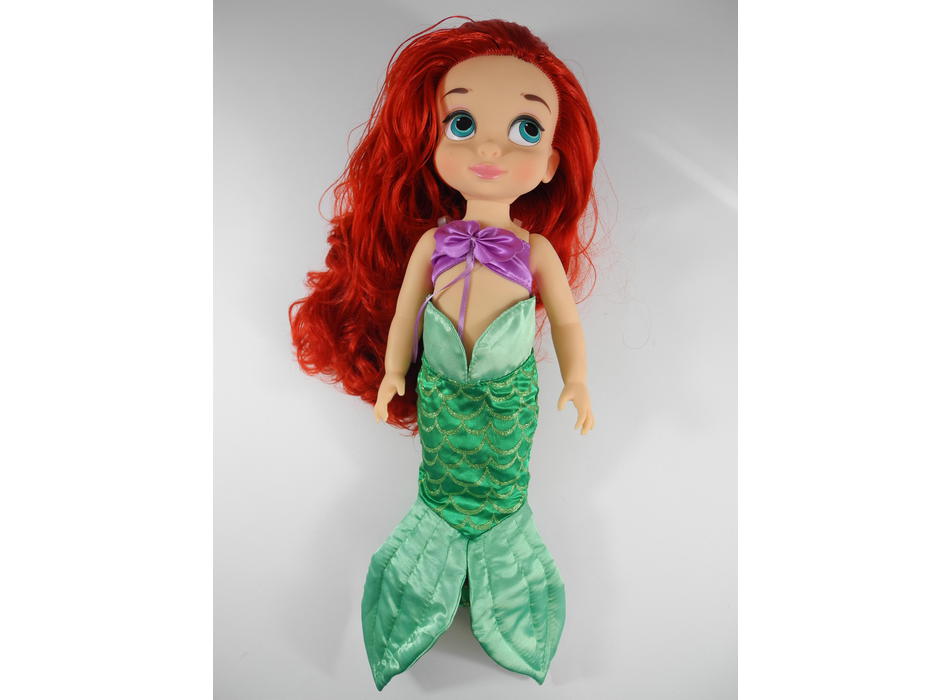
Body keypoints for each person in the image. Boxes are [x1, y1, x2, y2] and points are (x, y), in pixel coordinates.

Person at [289, 17, 600, 690]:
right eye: (462, 124)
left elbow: (567, 321)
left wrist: (576, 379)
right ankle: (430, 577)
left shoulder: (535, 252)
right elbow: (406, 312)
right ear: (431, 141)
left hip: (507, 398)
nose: (489, 144)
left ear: (551, 164)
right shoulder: (434, 245)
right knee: (440, 478)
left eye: (525, 129)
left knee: (501, 486)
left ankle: (501, 584)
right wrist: (392, 371)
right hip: (441, 390)